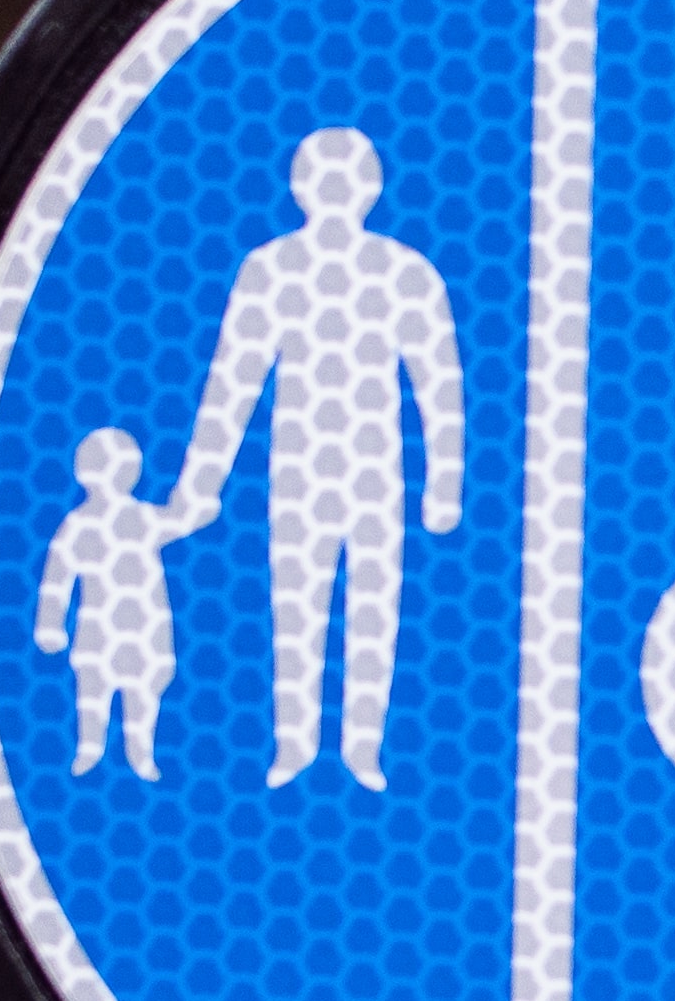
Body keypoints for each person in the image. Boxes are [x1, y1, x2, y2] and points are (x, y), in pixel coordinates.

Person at [166, 127, 463, 786]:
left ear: (371, 188)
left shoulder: (404, 273)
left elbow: (438, 384)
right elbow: (233, 382)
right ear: (300, 187)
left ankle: (364, 751)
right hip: (297, 472)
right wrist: (201, 483)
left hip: (376, 472)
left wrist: (445, 484)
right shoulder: (270, 270)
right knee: (296, 608)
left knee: (372, 609)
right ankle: (293, 747)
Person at [34, 428, 194, 775]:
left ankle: (141, 755)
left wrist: (198, 499)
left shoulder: (142, 517)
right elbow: (57, 576)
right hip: (98, 633)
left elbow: (182, 520)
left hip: (144, 631)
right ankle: (89, 752)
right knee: (94, 690)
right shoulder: (79, 525)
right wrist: (49, 625)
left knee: (142, 692)